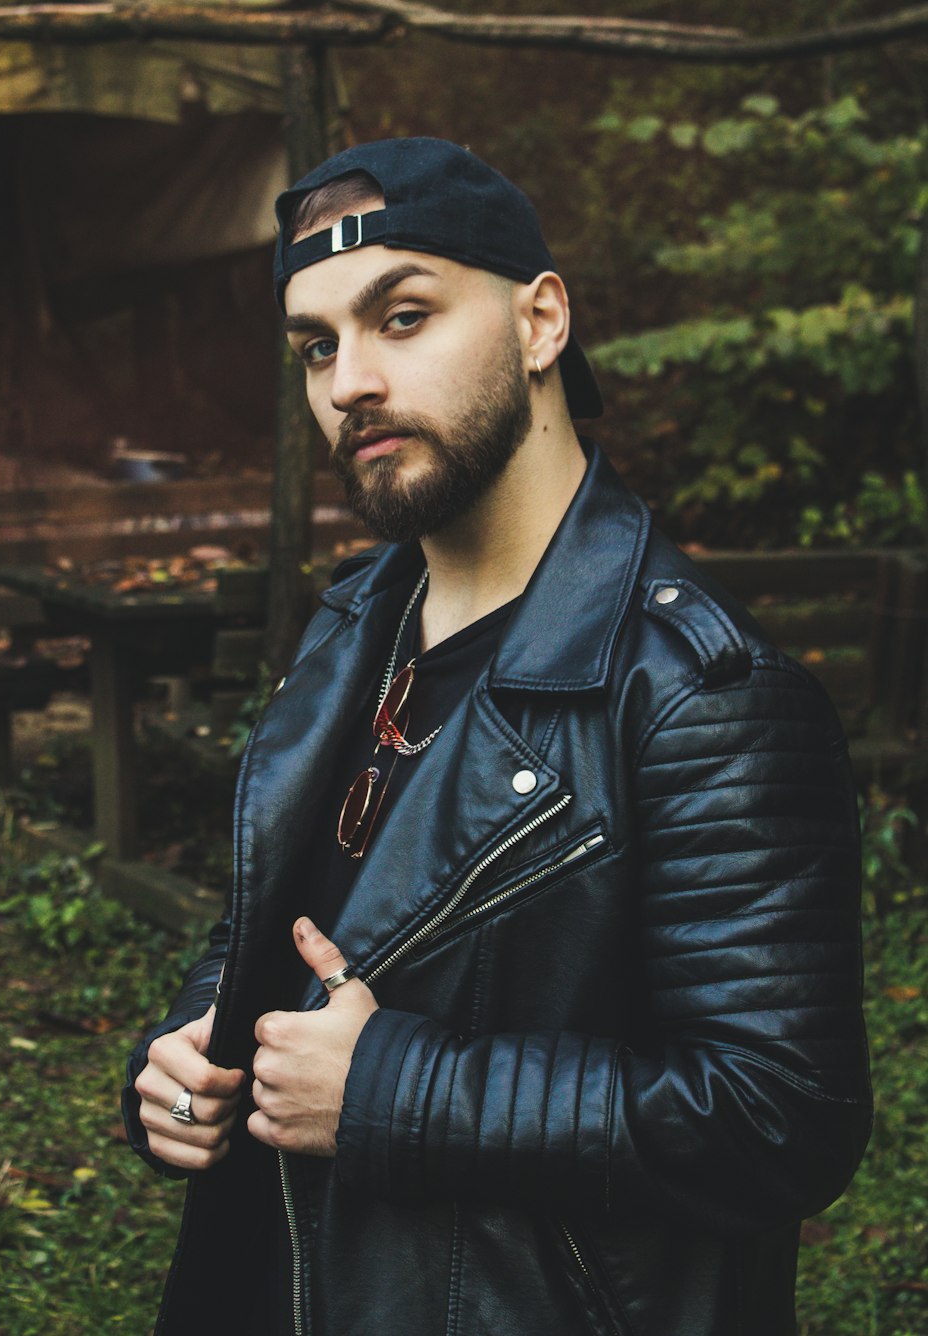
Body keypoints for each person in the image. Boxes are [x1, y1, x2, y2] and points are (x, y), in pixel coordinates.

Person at [122, 138, 872, 1336]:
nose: (347, 381)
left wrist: (390, 1088)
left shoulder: (694, 691)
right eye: (316, 344)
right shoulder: (356, 621)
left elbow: (780, 1114)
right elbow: (294, 918)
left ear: (540, 322)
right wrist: (188, 1047)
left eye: (402, 316)